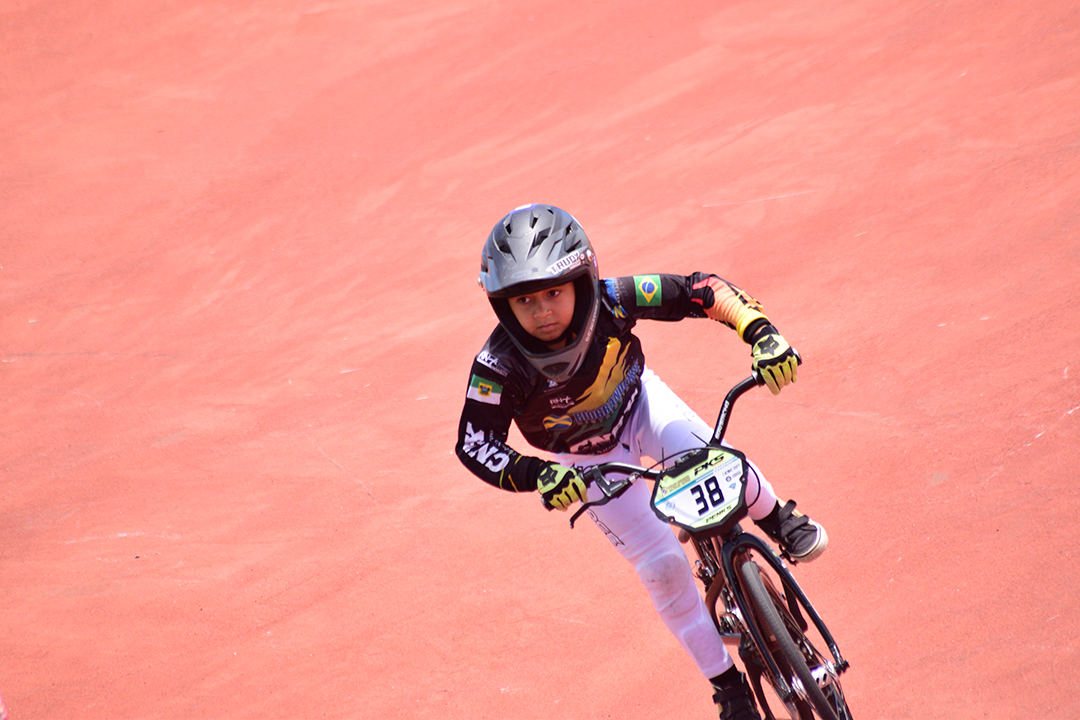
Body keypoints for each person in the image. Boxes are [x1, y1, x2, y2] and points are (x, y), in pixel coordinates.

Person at [454, 204, 827, 720]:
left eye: (554, 293)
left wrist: (762, 332)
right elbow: (474, 442)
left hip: (642, 408)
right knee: (662, 570)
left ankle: (776, 515)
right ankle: (728, 688)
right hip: (578, 462)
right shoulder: (497, 366)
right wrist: (538, 474)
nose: (541, 312)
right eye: (524, 300)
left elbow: (700, 290)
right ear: (502, 305)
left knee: (720, 465)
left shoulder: (615, 297)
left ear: (582, 281)